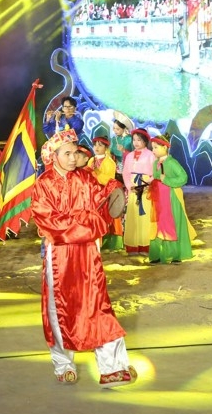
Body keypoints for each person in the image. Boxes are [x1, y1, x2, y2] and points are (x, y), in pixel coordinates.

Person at [30, 129, 137, 389]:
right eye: (66, 153)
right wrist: (90, 224)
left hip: (88, 253)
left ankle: (112, 368)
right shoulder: (43, 184)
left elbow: (102, 202)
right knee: (59, 310)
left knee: (98, 305)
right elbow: (50, 222)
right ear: (53, 156)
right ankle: (63, 364)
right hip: (60, 256)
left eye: (74, 152)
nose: (71, 157)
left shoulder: (85, 179)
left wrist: (112, 190)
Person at [148, 135, 195, 264]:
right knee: (158, 225)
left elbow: (183, 178)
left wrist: (166, 180)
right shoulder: (156, 163)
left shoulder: (172, 163)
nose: (154, 151)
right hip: (158, 199)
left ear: (165, 147)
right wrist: (152, 180)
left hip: (171, 198)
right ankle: (157, 254)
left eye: (156, 148)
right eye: (152, 148)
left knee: (172, 223)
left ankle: (175, 255)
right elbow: (157, 177)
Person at [122, 129, 155, 257]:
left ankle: (145, 245)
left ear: (146, 141)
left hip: (145, 188)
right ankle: (133, 245)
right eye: (134, 140)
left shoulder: (151, 155)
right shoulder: (129, 156)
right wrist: (130, 186)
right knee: (133, 216)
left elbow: (154, 174)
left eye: (139, 140)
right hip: (133, 189)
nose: (136, 142)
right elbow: (125, 173)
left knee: (144, 216)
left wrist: (146, 184)